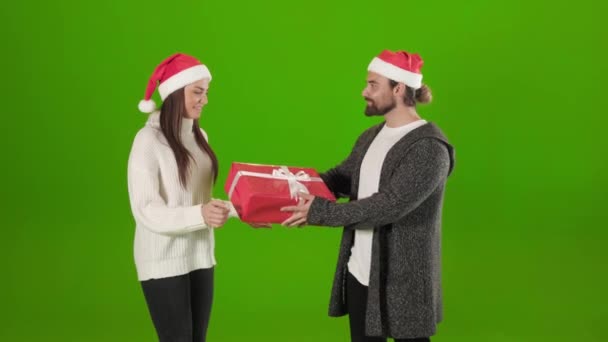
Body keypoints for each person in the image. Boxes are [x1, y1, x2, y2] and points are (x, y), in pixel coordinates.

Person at [281, 50, 456, 342]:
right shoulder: (370, 136)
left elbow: (389, 205)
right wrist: (287, 186)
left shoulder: (429, 148)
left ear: (398, 89)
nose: (365, 91)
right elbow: (341, 178)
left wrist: (320, 212)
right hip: (361, 272)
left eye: (373, 84)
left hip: (406, 282)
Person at [127, 53, 234, 342]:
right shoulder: (147, 141)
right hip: (163, 260)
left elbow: (202, 201)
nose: (205, 100)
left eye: (206, 92)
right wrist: (200, 215)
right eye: (197, 92)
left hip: (200, 256)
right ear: (175, 92)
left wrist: (246, 212)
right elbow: (146, 209)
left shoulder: (201, 138)